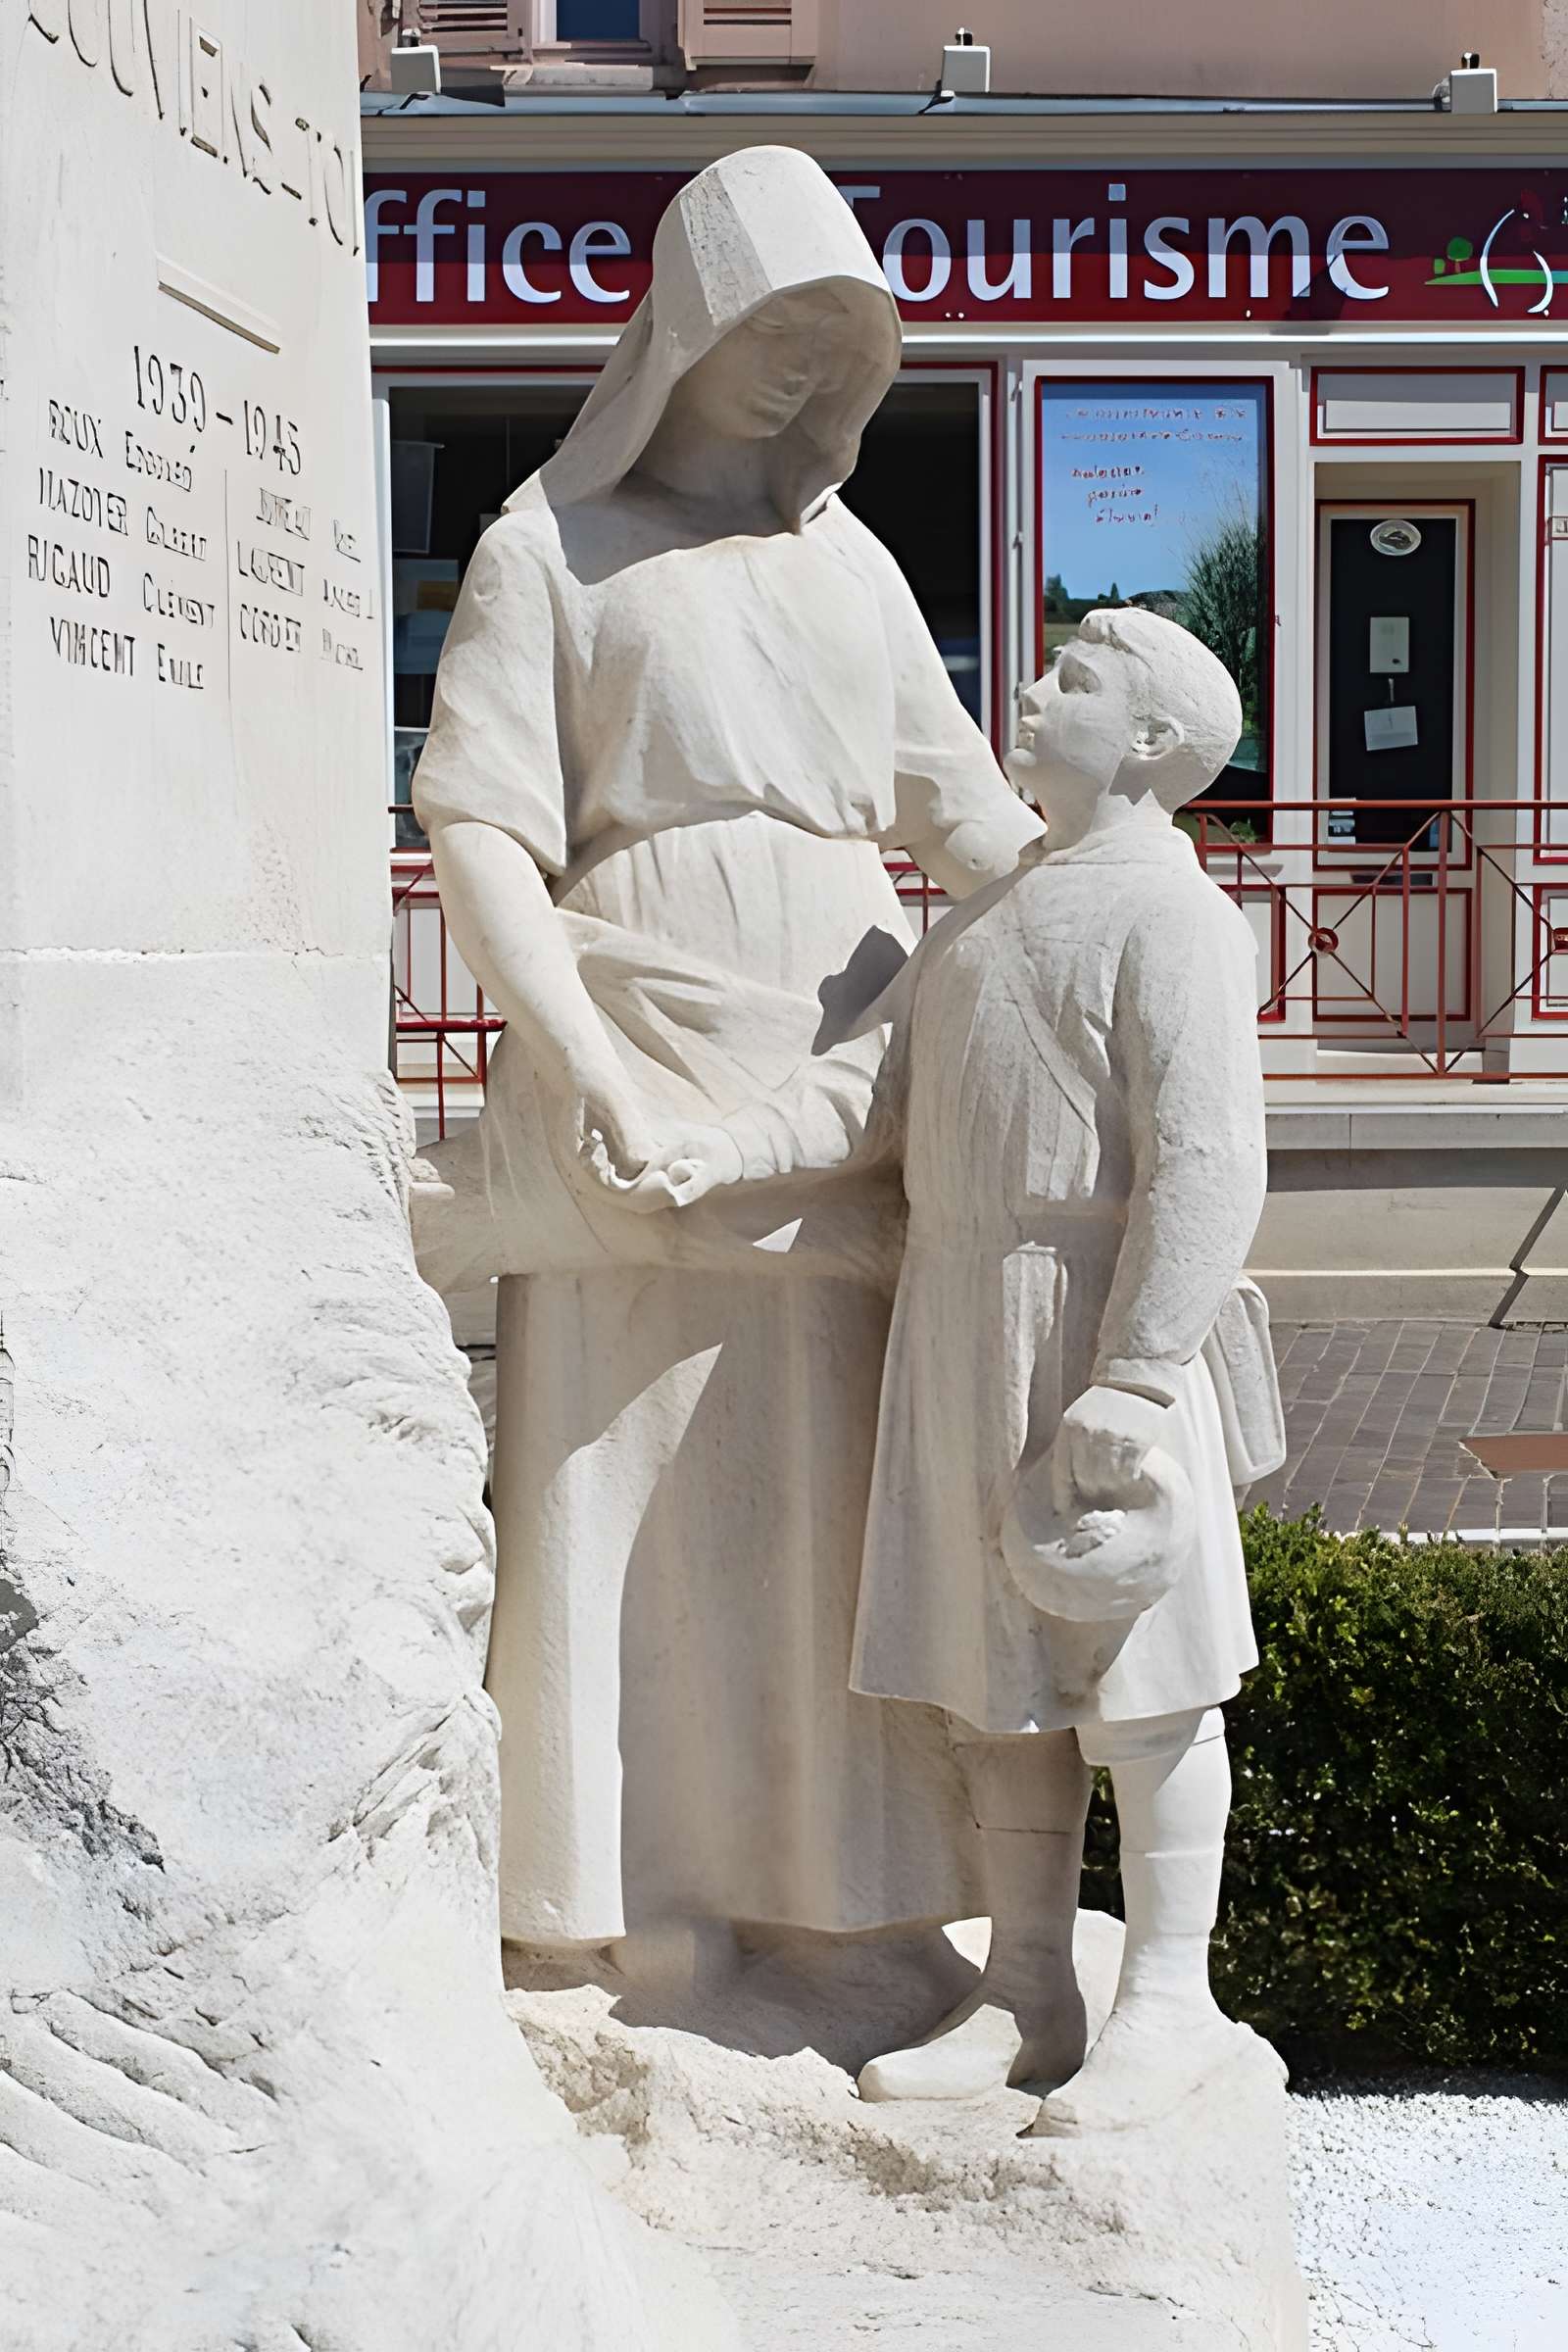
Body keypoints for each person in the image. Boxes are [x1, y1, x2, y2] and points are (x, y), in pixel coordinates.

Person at [410, 146, 1068, 1983]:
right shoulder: (552, 544)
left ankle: (843, 1901)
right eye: (770, 329)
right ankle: (619, 1914)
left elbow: (969, 820)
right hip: (632, 1036)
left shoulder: (847, 562)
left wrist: (1116, 906)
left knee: (830, 1495)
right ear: (684, 326)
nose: (799, 371)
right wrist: (592, 1069)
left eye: (835, 341)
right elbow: (477, 831)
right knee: (617, 1479)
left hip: (845, 1058)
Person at [684, 607, 1283, 2125]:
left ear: (1151, 744)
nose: (1027, 687)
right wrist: (712, 1154)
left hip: (1094, 1323)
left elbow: (1208, 1164)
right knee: (993, 1682)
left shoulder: (1173, 914)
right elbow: (865, 1086)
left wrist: (1140, 1373)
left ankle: (1171, 1999)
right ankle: (1026, 1981)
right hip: (959, 1318)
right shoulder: (992, 907)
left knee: (1142, 1685)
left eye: (1073, 677)